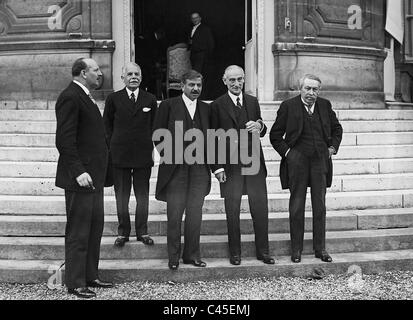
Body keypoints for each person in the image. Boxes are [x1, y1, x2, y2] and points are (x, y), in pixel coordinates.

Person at [55, 58, 113, 299]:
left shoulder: (85, 95)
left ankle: (90, 275)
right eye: (95, 70)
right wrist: (78, 171)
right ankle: (75, 282)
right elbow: (64, 140)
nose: (100, 74)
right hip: (81, 178)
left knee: (93, 228)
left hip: (94, 178)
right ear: (82, 73)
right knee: (79, 230)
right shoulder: (70, 96)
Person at [269, 74, 343, 263]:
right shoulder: (288, 106)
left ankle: (321, 249)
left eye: (315, 89)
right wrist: (289, 154)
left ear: (319, 90)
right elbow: (275, 135)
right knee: (296, 207)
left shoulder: (325, 105)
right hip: (297, 163)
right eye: (307, 88)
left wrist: (332, 148)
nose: (311, 93)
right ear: (300, 89)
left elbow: (337, 129)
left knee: (320, 207)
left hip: (320, 162)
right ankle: (296, 250)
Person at [210, 65, 275, 266]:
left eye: (239, 79)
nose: (236, 84)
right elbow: (211, 138)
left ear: (244, 79)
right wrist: (217, 167)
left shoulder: (252, 101)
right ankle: (235, 253)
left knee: (260, 209)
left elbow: (261, 128)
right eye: (232, 80)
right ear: (224, 81)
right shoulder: (217, 105)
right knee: (232, 209)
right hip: (230, 166)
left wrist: (260, 126)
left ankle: (263, 251)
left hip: (253, 162)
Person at [153, 70, 211, 271]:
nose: (196, 89)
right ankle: (173, 256)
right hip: (176, 170)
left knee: (195, 214)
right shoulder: (168, 106)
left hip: (199, 170)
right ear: (182, 86)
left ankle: (192, 254)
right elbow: (158, 134)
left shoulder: (206, 109)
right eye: (192, 85)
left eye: (199, 85)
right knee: (175, 215)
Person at [103, 62, 157, 248]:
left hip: (142, 154)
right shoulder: (113, 99)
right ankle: (123, 232)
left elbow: (155, 126)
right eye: (130, 74)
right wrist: (111, 146)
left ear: (141, 77)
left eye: (137, 74)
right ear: (123, 77)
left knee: (142, 195)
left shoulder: (149, 99)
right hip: (120, 154)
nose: (134, 77)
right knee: (122, 196)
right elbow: (106, 126)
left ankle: (142, 231)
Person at [187, 12, 214, 97]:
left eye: (196, 18)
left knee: (198, 75)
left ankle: (202, 95)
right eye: (193, 18)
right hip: (194, 55)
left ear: (200, 18)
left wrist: (206, 55)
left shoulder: (205, 29)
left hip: (202, 55)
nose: (195, 20)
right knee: (195, 74)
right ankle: (196, 94)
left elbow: (211, 44)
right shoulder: (191, 29)